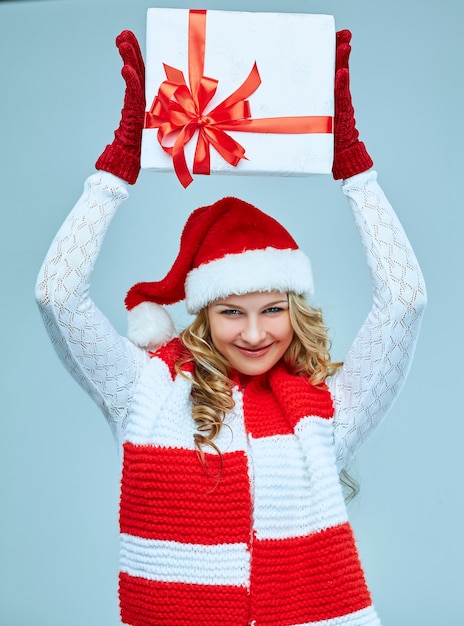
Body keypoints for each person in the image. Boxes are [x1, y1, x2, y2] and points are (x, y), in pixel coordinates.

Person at [35, 27, 426, 626]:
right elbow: (56, 295)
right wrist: (116, 172)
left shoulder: (325, 410)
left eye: (272, 309)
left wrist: (355, 172)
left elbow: (405, 300)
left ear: (296, 311)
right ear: (203, 315)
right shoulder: (145, 391)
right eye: (231, 312)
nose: (253, 333)